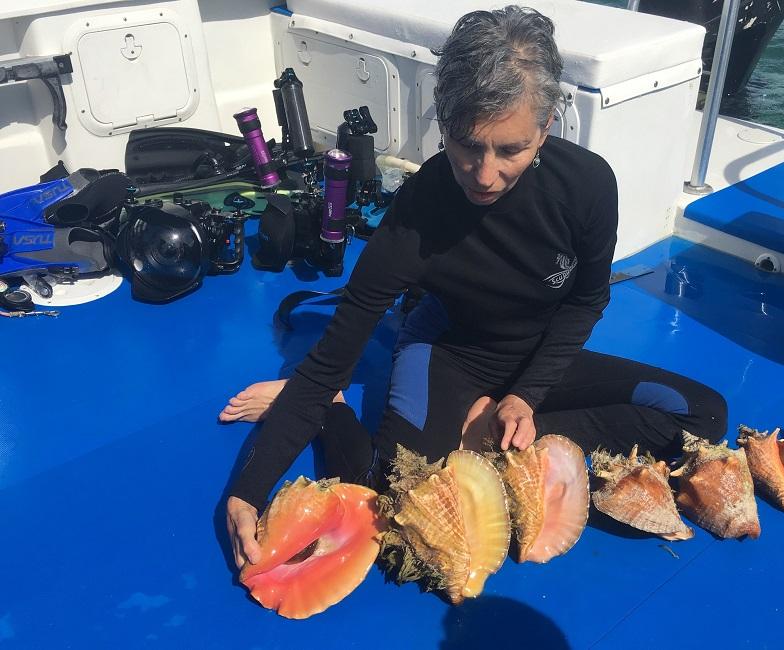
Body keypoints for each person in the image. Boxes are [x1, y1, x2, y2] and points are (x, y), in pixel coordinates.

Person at [225, 5, 727, 569]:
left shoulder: (586, 186)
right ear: (445, 124)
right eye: (467, 145)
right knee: (396, 499)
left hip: (537, 357)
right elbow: (328, 362)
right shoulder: (421, 209)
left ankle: (486, 433)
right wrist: (248, 491)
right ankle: (337, 413)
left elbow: (586, 300)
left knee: (703, 416)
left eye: (511, 149)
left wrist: (524, 398)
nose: (485, 175)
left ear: (546, 127)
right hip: (448, 352)